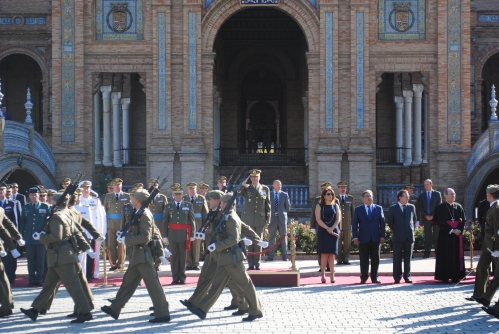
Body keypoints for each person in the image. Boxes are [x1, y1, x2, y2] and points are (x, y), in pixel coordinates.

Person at [185, 192, 264, 322]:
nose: (220, 204)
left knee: (245, 285)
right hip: (225, 257)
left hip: (232, 257)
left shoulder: (231, 218)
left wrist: (216, 245)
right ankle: (202, 309)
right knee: (216, 285)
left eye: (221, 202)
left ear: (226, 203)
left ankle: (255, 311)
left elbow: (234, 239)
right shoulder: (227, 216)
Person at [20, 192, 94, 323]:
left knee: (73, 286)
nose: (49, 201)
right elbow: (77, 231)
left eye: (51, 200)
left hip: (61, 256)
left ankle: (85, 312)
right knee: (49, 285)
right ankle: (35, 310)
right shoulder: (67, 213)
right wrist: (87, 247)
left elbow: (57, 236)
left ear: (55, 202)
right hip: (60, 256)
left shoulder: (56, 217)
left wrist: (41, 238)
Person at [101, 188, 170, 323]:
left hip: (143, 255)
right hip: (137, 255)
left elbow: (145, 236)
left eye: (133, 198)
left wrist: (126, 239)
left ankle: (162, 313)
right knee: (128, 283)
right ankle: (115, 309)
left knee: (153, 285)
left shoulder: (144, 214)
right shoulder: (140, 212)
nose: (131, 199)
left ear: (138, 200)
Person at [466, 185, 499, 306]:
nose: (486, 196)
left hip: (495, 245)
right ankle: (479, 295)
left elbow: (498, 230)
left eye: (486, 194)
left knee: (497, 273)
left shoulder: (496, 208)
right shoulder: (492, 207)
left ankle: (486, 297)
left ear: (490, 195)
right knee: (481, 267)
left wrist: (497, 248)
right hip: (488, 244)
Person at [237, 169, 270, 270]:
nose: (255, 179)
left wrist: (267, 220)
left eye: (257, 177)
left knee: (258, 242)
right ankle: (250, 264)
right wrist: (243, 183)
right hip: (248, 219)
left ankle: (258, 263)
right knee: (249, 242)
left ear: (259, 177)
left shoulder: (265, 188)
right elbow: (238, 193)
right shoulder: (247, 188)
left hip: (260, 219)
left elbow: (267, 205)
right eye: (253, 177)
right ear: (250, 178)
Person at [352, 189, 386, 284]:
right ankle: (364, 277)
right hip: (363, 238)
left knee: (375, 258)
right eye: (367, 196)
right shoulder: (358, 209)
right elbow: (354, 224)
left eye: (370, 195)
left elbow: (382, 223)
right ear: (363, 198)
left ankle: (375, 277)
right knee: (364, 259)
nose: (369, 197)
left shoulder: (378, 208)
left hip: (376, 238)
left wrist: (383, 235)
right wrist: (355, 237)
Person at [432, 187, 465, 283]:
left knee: (456, 256)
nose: (453, 195)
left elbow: (463, 220)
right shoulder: (440, 207)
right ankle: (445, 276)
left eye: (454, 194)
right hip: (445, 236)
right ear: (445, 195)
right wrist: (451, 230)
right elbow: (439, 222)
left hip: (457, 236)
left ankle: (456, 276)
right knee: (445, 255)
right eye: (451, 194)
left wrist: (459, 229)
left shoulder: (459, 207)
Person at [19, 186, 50, 286]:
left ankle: (40, 279)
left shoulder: (45, 207)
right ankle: (31, 279)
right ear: (29, 196)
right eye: (31, 195)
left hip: (41, 238)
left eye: (35, 194)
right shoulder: (26, 207)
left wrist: (45, 234)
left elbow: (48, 223)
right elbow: (22, 223)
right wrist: (20, 236)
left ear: (39, 195)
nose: (33, 196)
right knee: (31, 260)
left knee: (40, 260)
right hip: (29, 239)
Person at [165, 187, 195, 284]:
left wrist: (192, 234)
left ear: (182, 195)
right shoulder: (168, 206)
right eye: (176, 194)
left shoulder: (188, 205)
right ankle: (174, 277)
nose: (178, 196)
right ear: (173, 195)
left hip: (184, 235)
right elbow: (165, 221)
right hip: (172, 234)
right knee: (173, 257)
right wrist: (164, 235)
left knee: (183, 257)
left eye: (179, 194)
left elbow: (192, 221)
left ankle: (182, 277)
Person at [387, 190, 416, 283]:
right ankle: (397, 277)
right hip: (398, 236)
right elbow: (390, 223)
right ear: (400, 197)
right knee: (397, 258)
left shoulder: (412, 207)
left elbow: (414, 220)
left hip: (409, 236)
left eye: (408, 196)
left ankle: (407, 276)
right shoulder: (393, 208)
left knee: (408, 258)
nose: (408, 198)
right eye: (406, 196)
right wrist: (397, 229)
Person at [79, 180, 106, 279]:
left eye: (87, 188)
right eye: (84, 188)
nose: (86, 190)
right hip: (80, 232)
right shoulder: (78, 200)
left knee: (92, 254)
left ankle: (90, 274)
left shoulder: (95, 201)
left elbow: (101, 217)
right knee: (81, 254)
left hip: (92, 232)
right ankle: (81, 273)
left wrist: (101, 231)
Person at [103, 178, 132, 271]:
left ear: (121, 185)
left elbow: (129, 211)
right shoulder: (108, 196)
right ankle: (113, 263)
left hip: (122, 224)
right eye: (115, 185)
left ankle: (120, 263)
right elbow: (105, 211)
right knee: (111, 245)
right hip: (111, 224)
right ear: (113, 186)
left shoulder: (127, 196)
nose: (117, 186)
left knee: (121, 245)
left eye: (119, 184)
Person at [315, 188, 340, 283]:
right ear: (324, 196)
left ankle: (332, 275)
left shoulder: (336, 205)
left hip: (333, 230)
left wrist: (332, 228)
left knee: (332, 254)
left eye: (332, 194)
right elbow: (318, 219)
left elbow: (338, 219)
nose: (331, 196)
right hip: (323, 231)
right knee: (324, 254)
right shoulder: (319, 206)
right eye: (328, 194)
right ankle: (323, 275)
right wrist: (327, 228)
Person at [0, 185, 23, 284]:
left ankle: (9, 277)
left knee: (9, 259)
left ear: (6, 191)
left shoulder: (12, 203)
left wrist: (16, 235)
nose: (1, 191)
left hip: (8, 236)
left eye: (2, 190)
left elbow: (13, 221)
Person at [184, 182, 208, 270]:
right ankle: (189, 263)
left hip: (198, 224)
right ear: (187, 190)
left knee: (197, 245)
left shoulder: (201, 198)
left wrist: (205, 226)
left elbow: (205, 213)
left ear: (196, 189)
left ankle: (196, 263)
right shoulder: (184, 198)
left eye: (193, 189)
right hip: (187, 225)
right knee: (188, 244)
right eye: (190, 189)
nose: (192, 190)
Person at [310, 182, 333, 272]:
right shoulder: (317, 200)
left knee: (331, 247)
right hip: (320, 227)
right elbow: (313, 214)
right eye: (324, 189)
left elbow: (338, 217)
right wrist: (312, 226)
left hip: (332, 228)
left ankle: (330, 266)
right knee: (321, 247)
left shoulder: (335, 200)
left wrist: (338, 227)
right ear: (321, 190)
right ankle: (322, 265)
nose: (326, 191)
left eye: (328, 190)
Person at [265, 180, 290, 262]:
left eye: (280, 184)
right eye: (277, 185)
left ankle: (285, 256)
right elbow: (266, 207)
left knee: (283, 237)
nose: (279, 186)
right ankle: (270, 256)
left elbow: (288, 208)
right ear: (273, 185)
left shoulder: (284, 195)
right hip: (272, 219)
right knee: (272, 238)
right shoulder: (269, 195)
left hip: (282, 219)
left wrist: (282, 213)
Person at [418, 179, 442, 258]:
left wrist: (433, 216)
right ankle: (427, 253)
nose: (426, 186)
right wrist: (426, 216)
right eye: (425, 185)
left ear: (431, 184)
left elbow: (439, 206)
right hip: (426, 219)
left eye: (427, 184)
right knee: (427, 236)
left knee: (437, 235)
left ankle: (438, 252)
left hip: (435, 218)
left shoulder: (437, 194)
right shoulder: (422, 196)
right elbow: (420, 207)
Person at [336, 181, 355, 265]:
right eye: (341, 187)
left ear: (346, 189)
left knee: (347, 242)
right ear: (338, 189)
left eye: (344, 187)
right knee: (338, 242)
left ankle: (346, 258)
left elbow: (353, 211)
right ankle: (339, 259)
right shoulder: (335, 198)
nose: (342, 189)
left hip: (347, 223)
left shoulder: (350, 198)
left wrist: (353, 223)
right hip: (338, 224)